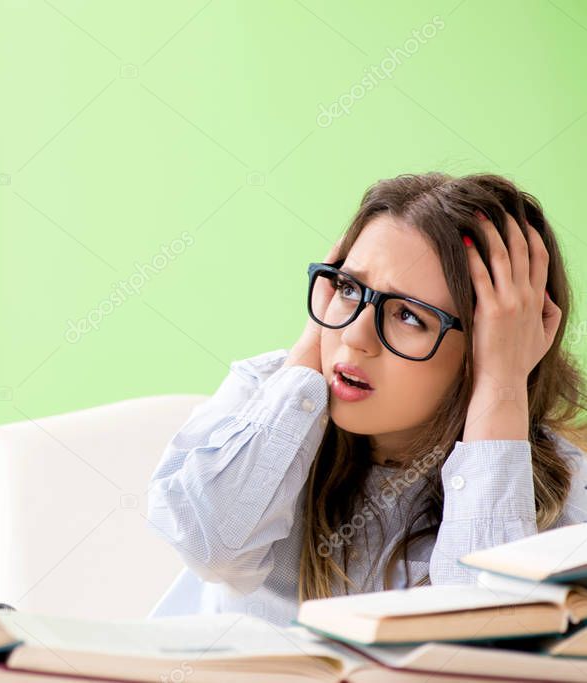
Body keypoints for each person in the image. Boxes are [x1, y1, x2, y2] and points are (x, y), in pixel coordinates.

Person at [146, 172, 587, 627]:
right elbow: (209, 545)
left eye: (409, 316)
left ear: (494, 344)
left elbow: (485, 641)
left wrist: (500, 388)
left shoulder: (558, 490)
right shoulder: (268, 394)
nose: (355, 337)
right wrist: (308, 348)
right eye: (349, 288)